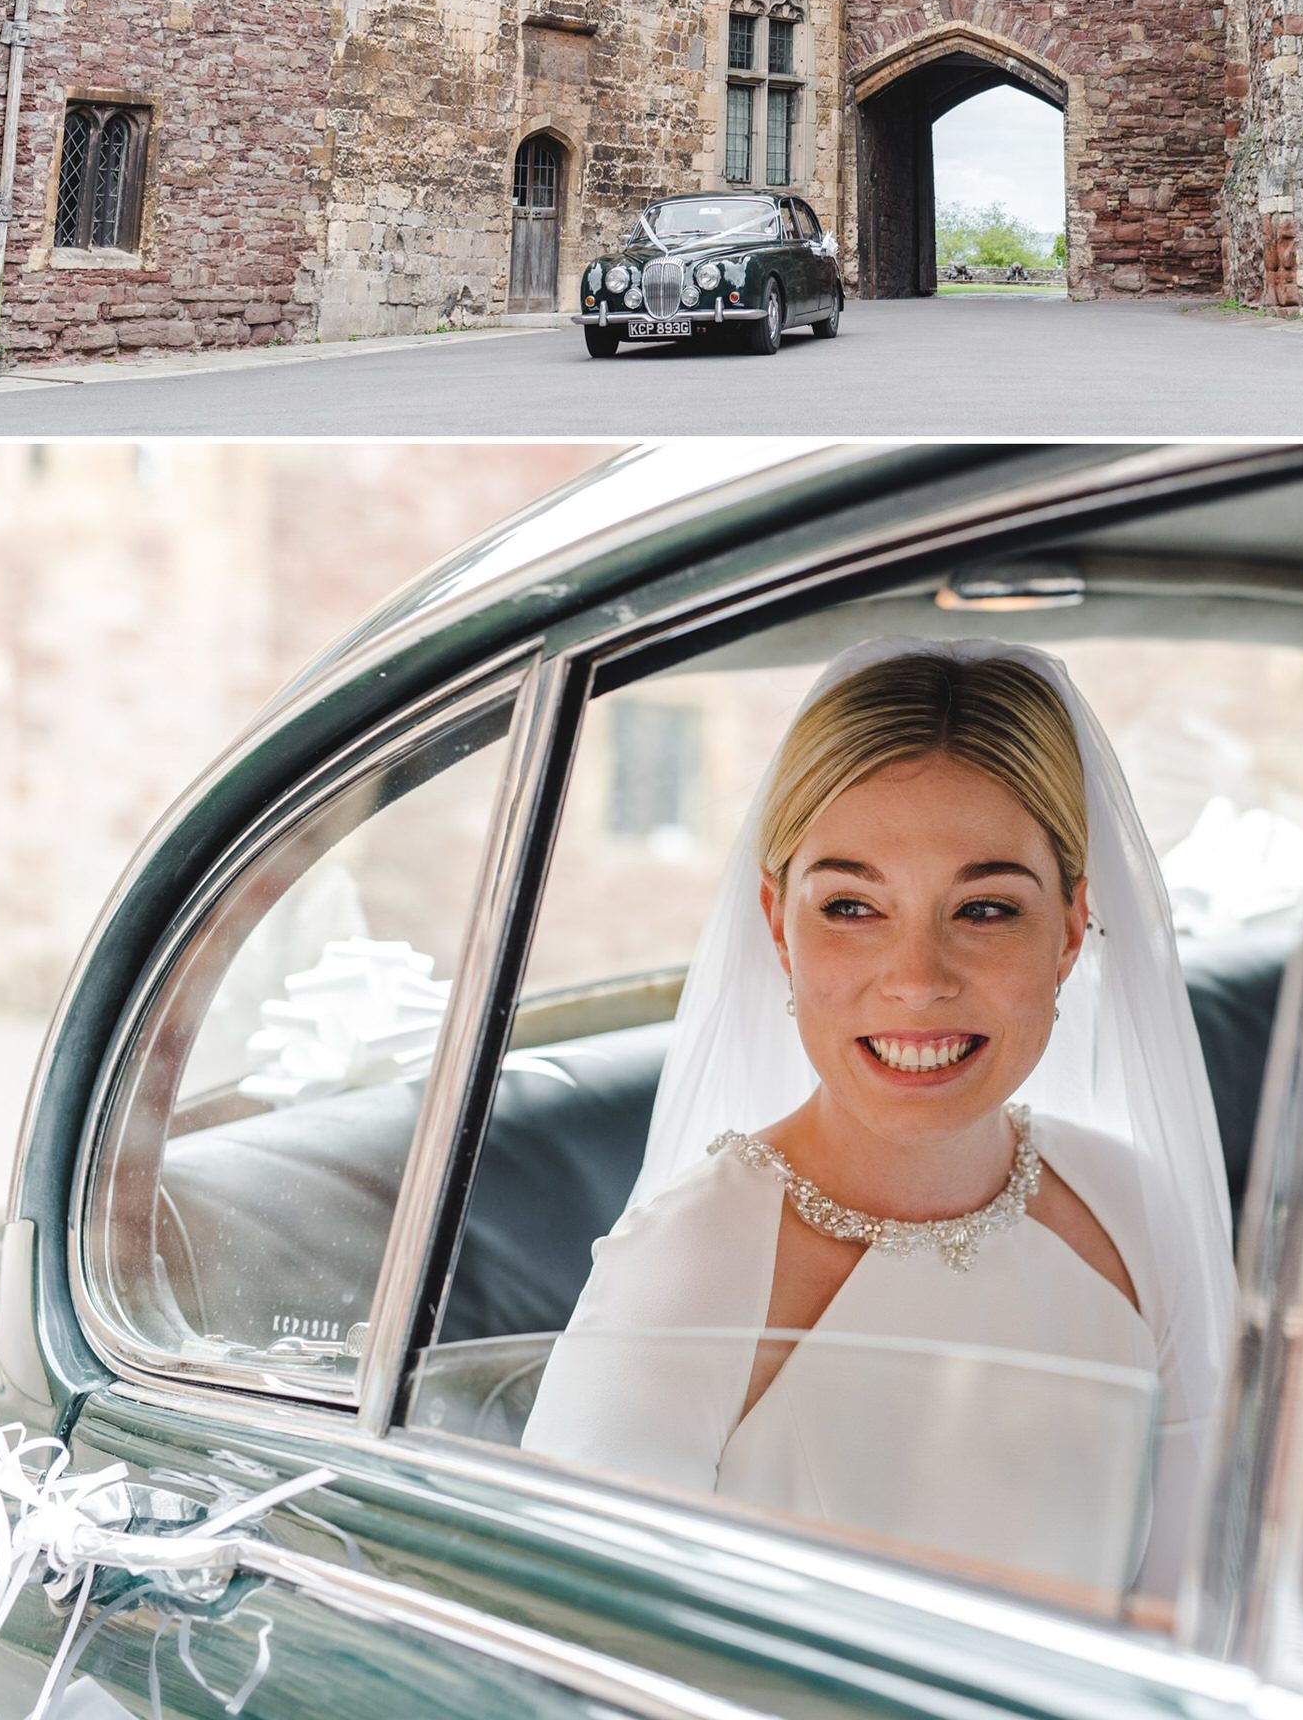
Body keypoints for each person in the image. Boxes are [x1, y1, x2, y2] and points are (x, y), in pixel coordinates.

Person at [523, 644, 1237, 1599]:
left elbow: (1195, 1609)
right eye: (852, 907)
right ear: (776, 924)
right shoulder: (688, 1272)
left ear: (1070, 930)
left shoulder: (1130, 1210)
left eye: (983, 909)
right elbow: (567, 1662)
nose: (916, 981)